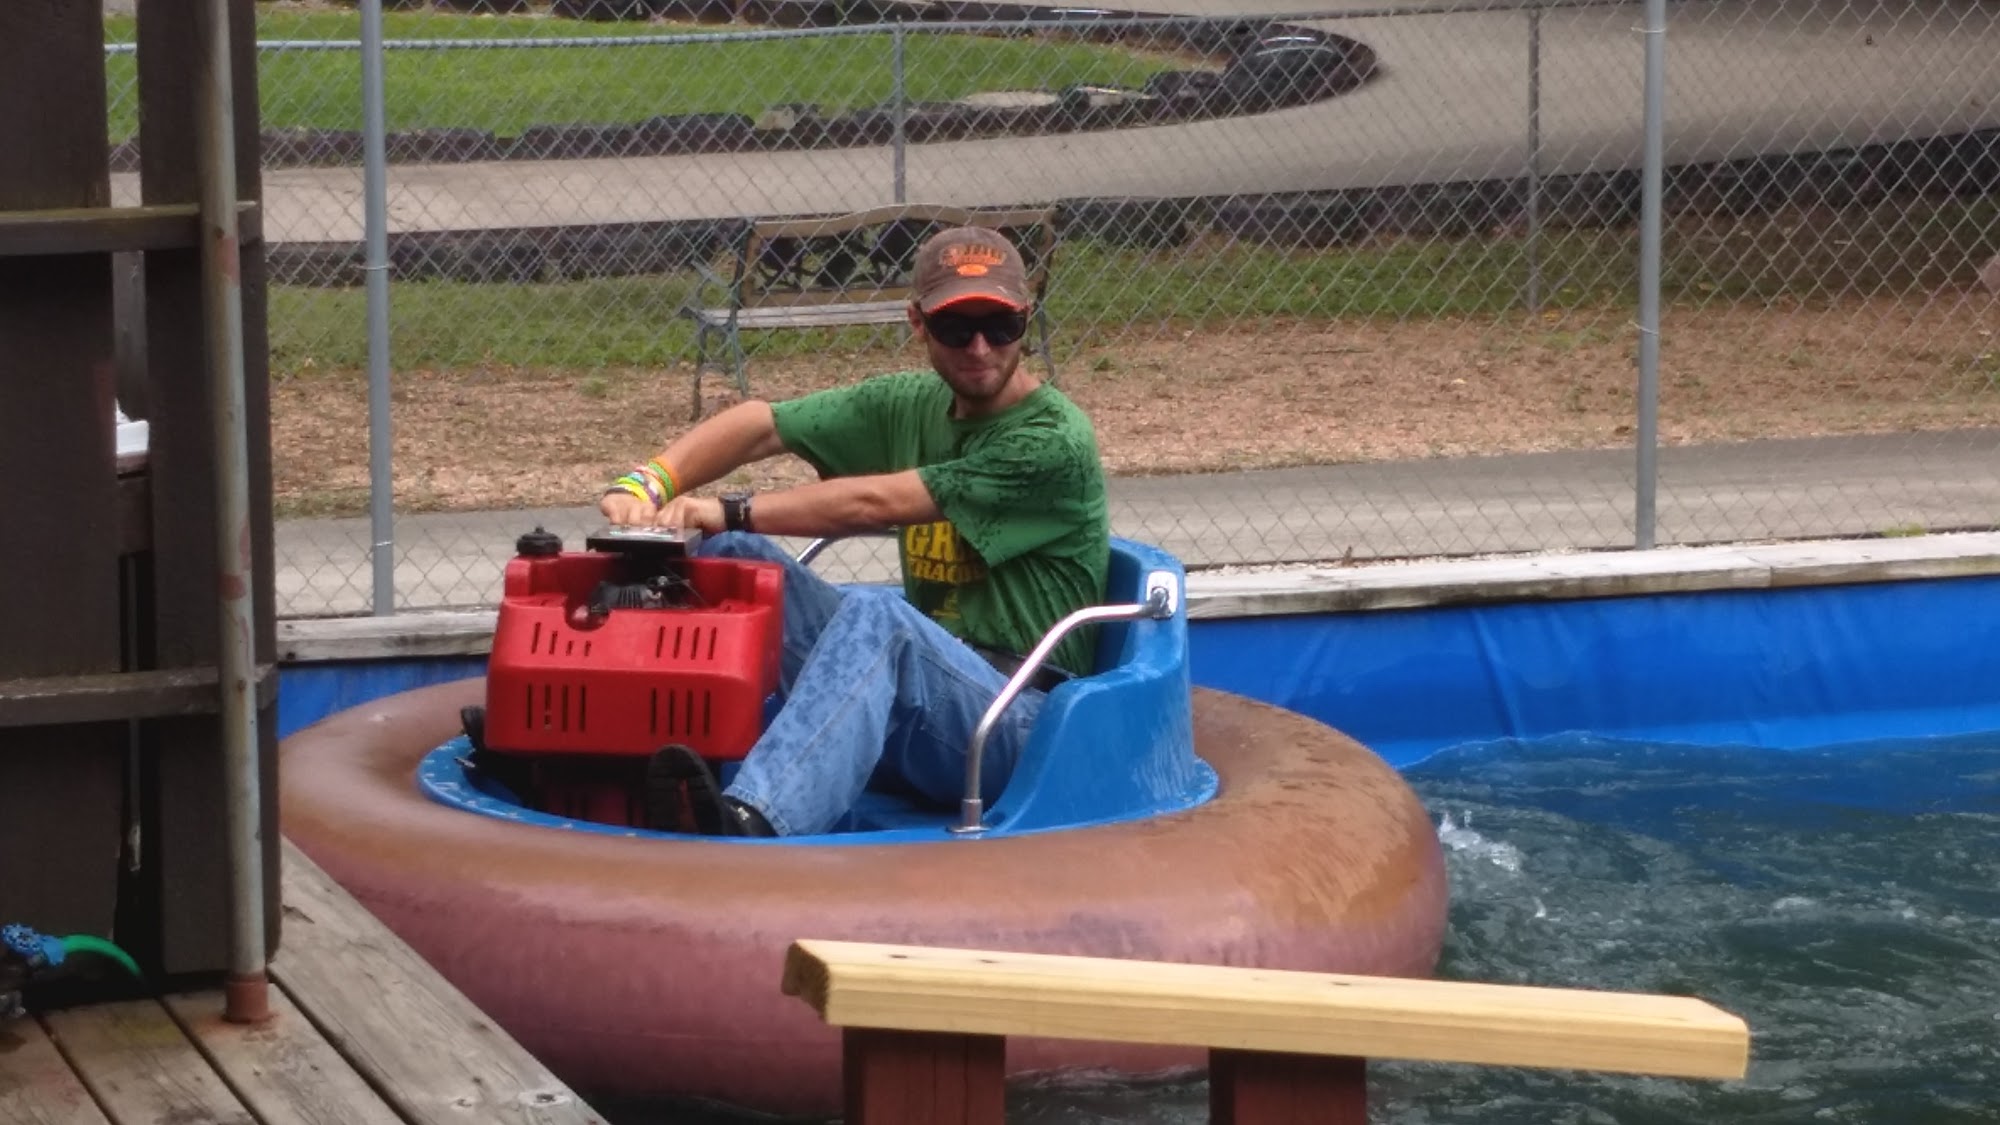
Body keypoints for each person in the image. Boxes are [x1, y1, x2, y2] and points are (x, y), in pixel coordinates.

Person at [598, 226, 1109, 837]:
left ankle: (753, 822)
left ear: (1026, 318)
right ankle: (627, 763)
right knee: (732, 557)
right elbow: (764, 425)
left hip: (1017, 723)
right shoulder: (912, 404)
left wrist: (727, 508)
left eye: (1002, 327)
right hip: (920, 703)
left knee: (877, 616)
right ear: (918, 323)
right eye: (955, 328)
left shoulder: (1052, 441)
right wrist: (647, 485)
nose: (980, 348)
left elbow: (873, 504)